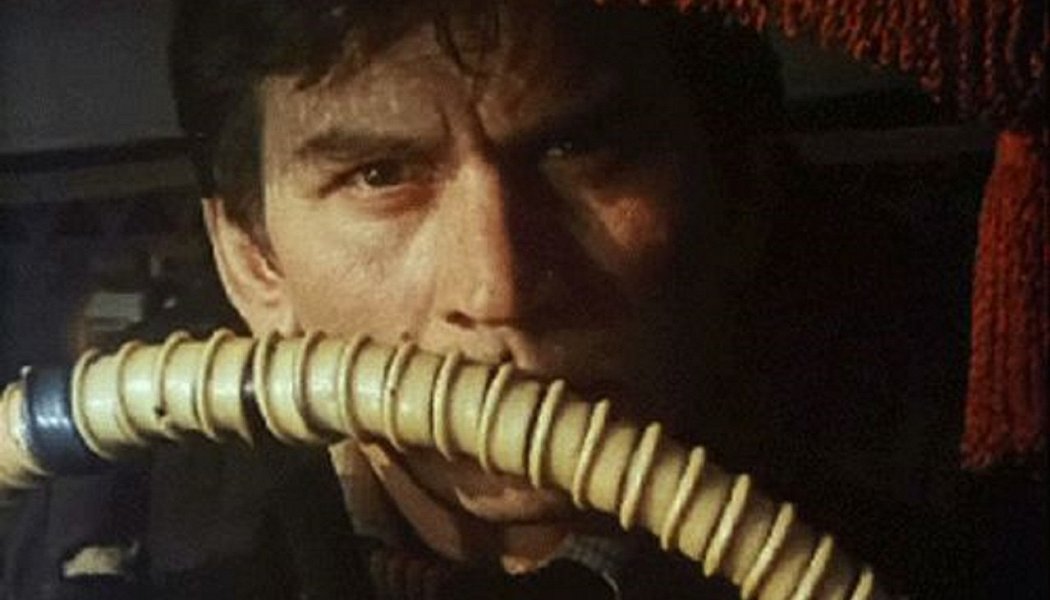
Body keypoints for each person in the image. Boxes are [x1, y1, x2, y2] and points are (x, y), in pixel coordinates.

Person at [2, 1, 971, 598]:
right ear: (255, 260)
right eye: (381, 174)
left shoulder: (963, 514)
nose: (498, 287)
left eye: (577, 150)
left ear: (740, 192)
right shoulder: (96, 529)